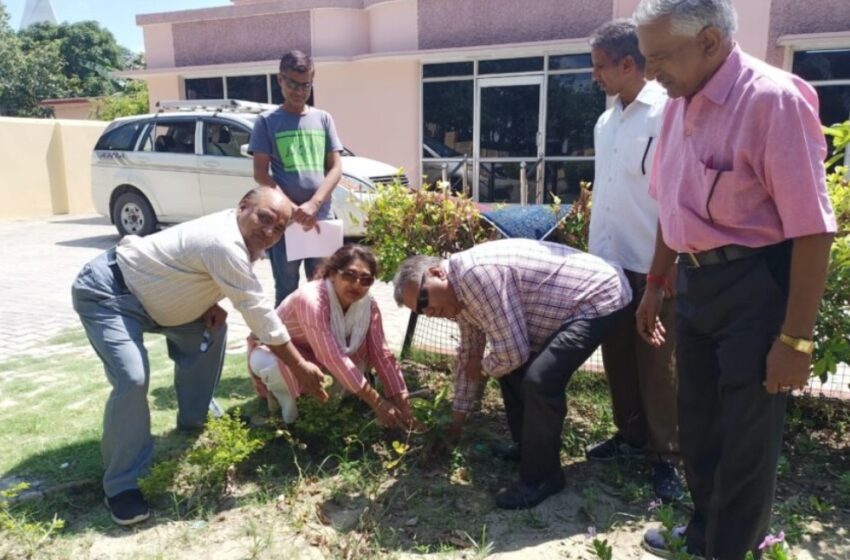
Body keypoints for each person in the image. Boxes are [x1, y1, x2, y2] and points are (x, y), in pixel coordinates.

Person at [632, 1, 836, 558]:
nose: (650, 72)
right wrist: (656, 281)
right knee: (699, 424)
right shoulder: (678, 102)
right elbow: (671, 204)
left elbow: (813, 230)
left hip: (755, 288)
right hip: (696, 287)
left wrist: (795, 340)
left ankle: (731, 549)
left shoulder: (772, 100)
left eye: (659, 57)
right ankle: (704, 534)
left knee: (746, 439)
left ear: (708, 41)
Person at [71, 187, 329, 527]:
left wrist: (208, 300)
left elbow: (189, 266)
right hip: (110, 293)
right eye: (264, 218)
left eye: (279, 228)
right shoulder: (223, 241)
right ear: (242, 207)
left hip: (156, 297)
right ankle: (121, 485)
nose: (269, 232)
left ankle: (194, 418)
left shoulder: (244, 237)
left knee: (212, 329)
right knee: (131, 379)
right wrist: (299, 366)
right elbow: (257, 311)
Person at [393, 239, 632, 509]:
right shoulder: (456, 299)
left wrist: (483, 367)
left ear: (437, 273)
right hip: (571, 305)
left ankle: (544, 477)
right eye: (420, 311)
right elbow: (470, 358)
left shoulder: (474, 276)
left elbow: (510, 354)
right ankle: (528, 448)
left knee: (540, 380)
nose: (428, 312)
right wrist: (456, 425)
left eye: (424, 300)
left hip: (600, 295)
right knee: (508, 366)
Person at [586, 19, 683, 503]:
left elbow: (675, 197)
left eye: (600, 66)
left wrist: (665, 271)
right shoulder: (606, 123)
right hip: (610, 265)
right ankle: (630, 435)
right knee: (618, 358)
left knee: (657, 363)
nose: (594, 76)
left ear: (628, 63)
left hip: (653, 264)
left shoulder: (668, 113)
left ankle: (666, 456)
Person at [247, 244, 420, 430]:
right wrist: (377, 403)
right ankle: (285, 413)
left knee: (355, 363)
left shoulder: (368, 306)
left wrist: (405, 407)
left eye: (366, 279)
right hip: (278, 354)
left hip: (319, 359)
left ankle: (316, 403)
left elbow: (382, 354)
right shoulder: (311, 300)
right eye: (349, 275)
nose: (357, 284)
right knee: (279, 370)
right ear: (332, 274)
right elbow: (332, 357)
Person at [250, 49, 344, 306]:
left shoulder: (323, 119)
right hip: (285, 222)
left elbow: (335, 168)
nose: (300, 91)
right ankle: (285, 333)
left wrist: (314, 204)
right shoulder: (267, 122)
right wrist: (294, 209)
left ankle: (319, 332)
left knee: (324, 289)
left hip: (321, 219)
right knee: (287, 290)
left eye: (306, 85)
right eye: (293, 84)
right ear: (280, 79)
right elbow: (260, 173)